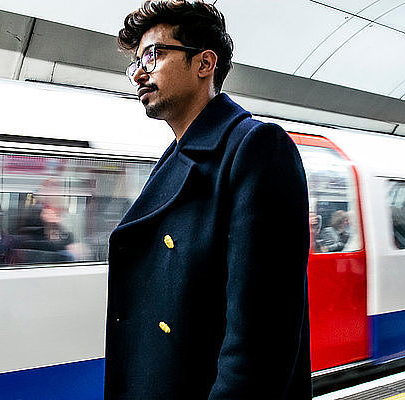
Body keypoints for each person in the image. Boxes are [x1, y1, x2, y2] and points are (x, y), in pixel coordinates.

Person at [105, 1, 311, 399]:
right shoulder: (175, 158)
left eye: (155, 54)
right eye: (136, 62)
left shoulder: (255, 149)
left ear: (204, 64)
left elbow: (261, 338)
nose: (140, 73)